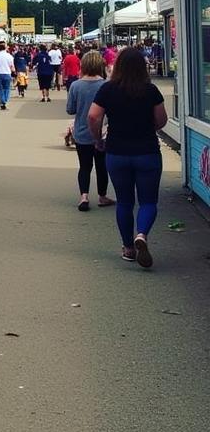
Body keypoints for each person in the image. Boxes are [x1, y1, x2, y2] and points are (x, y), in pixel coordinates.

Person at [87, 47, 167, 268]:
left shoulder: (108, 89)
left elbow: (93, 116)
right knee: (148, 201)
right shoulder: (151, 91)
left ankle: (128, 248)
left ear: (118, 66)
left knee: (124, 201)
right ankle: (141, 234)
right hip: (147, 152)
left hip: (117, 152)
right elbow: (161, 121)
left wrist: (98, 139)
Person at [66, 50, 113, 211]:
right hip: (103, 131)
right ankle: (102, 196)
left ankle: (84, 196)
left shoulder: (76, 85)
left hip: (81, 132)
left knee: (84, 166)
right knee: (102, 165)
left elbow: (70, 109)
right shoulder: (107, 85)